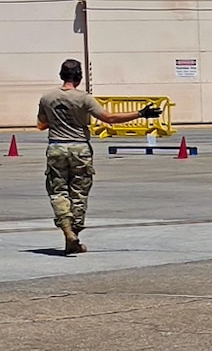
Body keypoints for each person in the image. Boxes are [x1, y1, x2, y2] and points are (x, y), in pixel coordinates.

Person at [37, 59, 159, 254]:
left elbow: (41, 124)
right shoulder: (85, 98)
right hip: (80, 148)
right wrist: (141, 113)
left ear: (61, 75)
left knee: (58, 191)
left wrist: (58, 120)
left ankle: (68, 233)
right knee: (79, 192)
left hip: (56, 147)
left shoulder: (47, 98)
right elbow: (109, 118)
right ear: (79, 76)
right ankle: (74, 232)